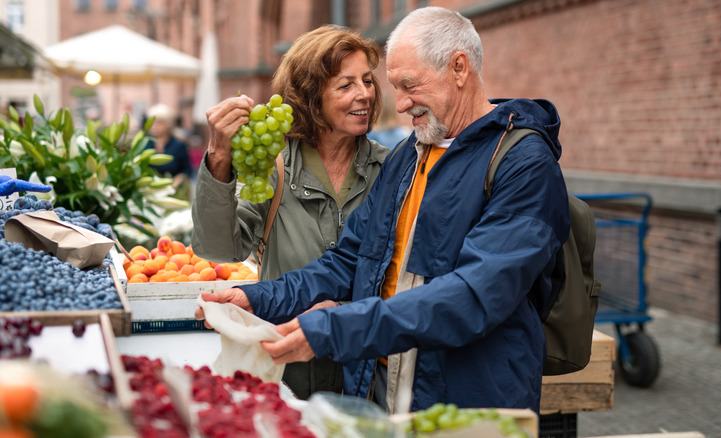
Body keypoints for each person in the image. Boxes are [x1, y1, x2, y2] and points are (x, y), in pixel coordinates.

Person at [195, 6, 570, 414]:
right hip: (385, 391)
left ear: (459, 68)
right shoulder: (409, 156)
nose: (401, 104)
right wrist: (256, 297)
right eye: (395, 86)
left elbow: (474, 295)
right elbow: (350, 259)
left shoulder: (523, 163)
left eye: (408, 85)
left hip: (470, 401)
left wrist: (332, 329)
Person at [190, 25, 390, 399]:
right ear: (312, 97)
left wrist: (340, 317)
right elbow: (219, 248)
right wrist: (219, 158)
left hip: (369, 378)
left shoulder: (390, 170)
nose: (364, 94)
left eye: (367, 80)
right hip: (288, 374)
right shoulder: (275, 166)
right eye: (345, 85)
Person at [145, 103, 194, 194]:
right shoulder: (145, 144)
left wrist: (177, 181)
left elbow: (187, 170)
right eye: (152, 122)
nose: (155, 126)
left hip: (173, 192)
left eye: (159, 122)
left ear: (168, 124)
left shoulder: (178, 145)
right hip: (148, 192)